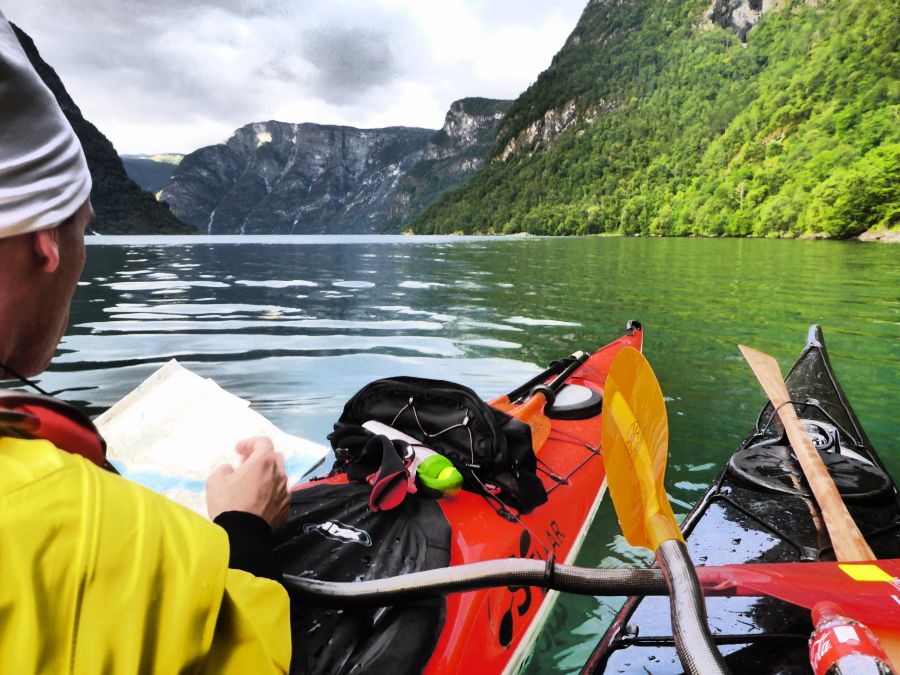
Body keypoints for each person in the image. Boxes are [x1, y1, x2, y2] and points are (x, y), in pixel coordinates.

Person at [0, 11, 291, 673]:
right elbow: (254, 654)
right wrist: (244, 527)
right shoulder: (87, 529)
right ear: (47, 243)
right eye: (84, 228)